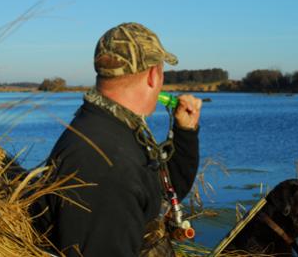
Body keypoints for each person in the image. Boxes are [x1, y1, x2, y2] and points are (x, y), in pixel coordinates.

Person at [32, 22, 202, 257]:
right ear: (154, 76)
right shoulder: (102, 162)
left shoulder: (112, 127)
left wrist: (185, 133)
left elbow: (161, 193)